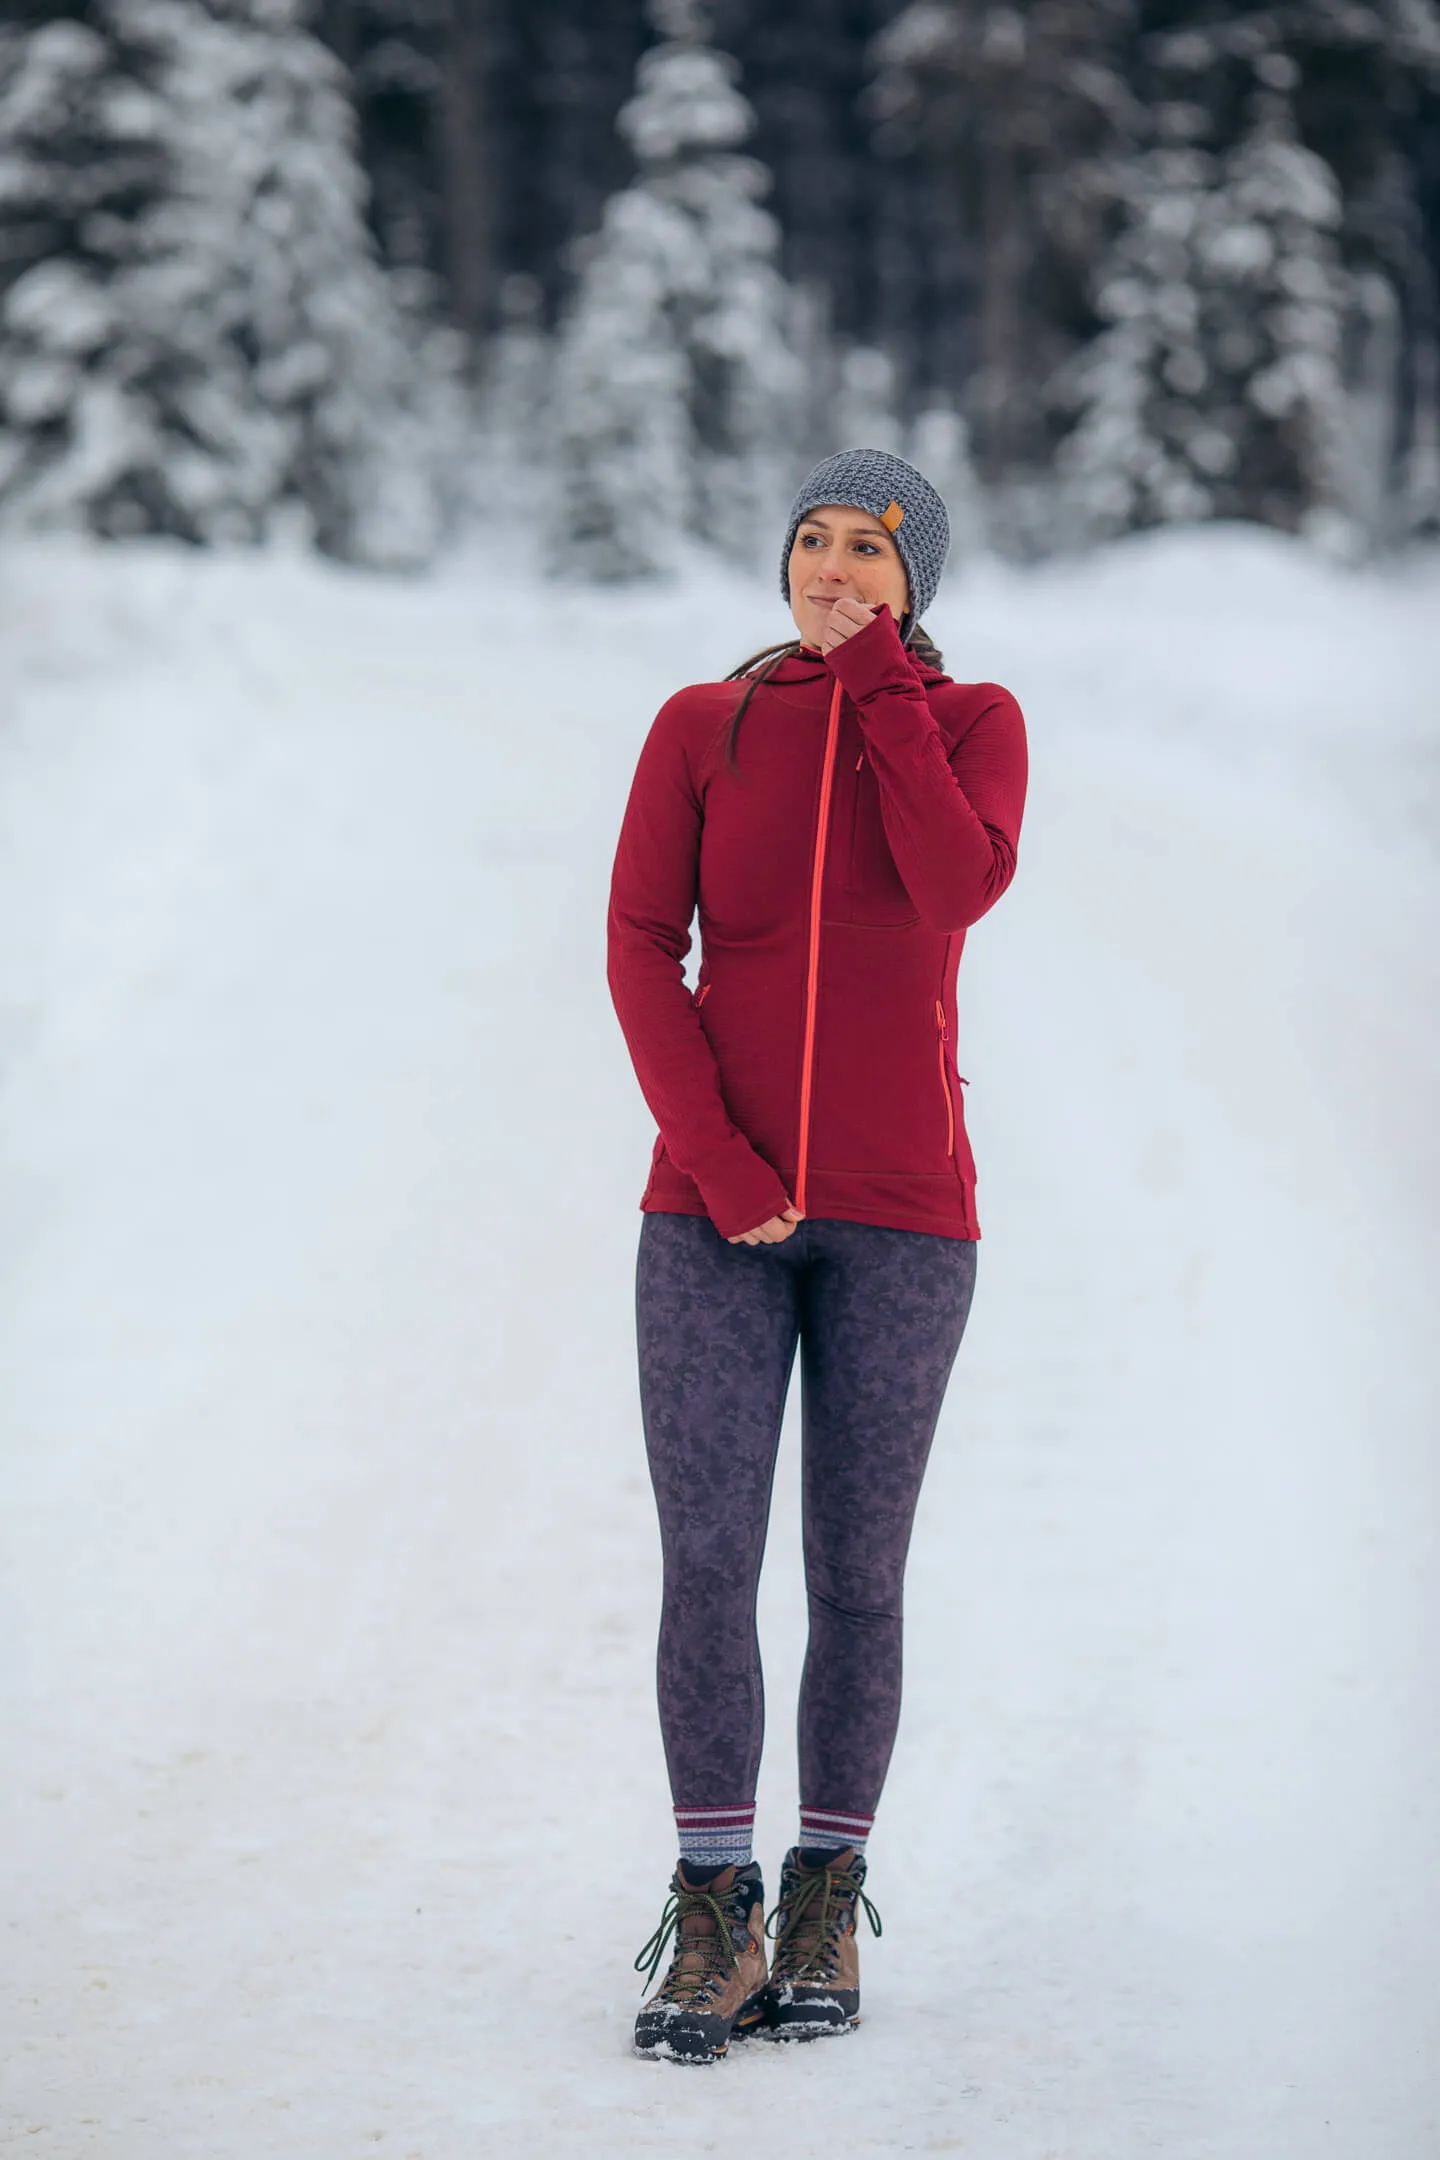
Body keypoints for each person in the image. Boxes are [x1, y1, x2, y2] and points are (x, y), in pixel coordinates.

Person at [607, 447, 1028, 2063]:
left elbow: (952, 887)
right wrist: (717, 1162)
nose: (836, 566)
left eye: (871, 548)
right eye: (812, 540)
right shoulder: (700, 726)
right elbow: (643, 943)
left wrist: (880, 693)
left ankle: (826, 1888)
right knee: (707, 1566)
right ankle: (711, 1906)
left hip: (908, 1225)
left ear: (918, 579)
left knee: (857, 1580)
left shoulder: (972, 722)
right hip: (710, 1218)